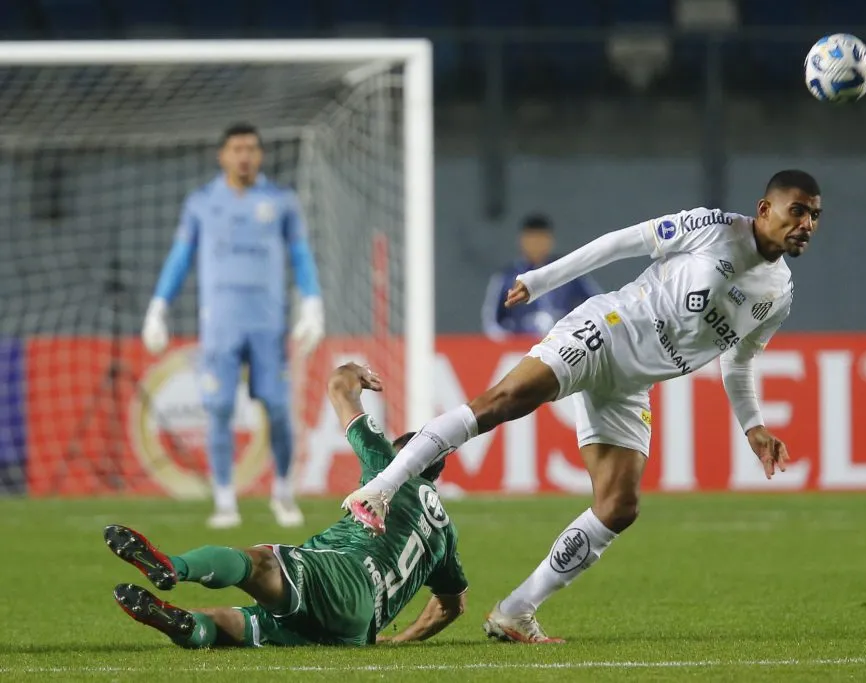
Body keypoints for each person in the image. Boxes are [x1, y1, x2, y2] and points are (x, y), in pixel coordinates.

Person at [343, 170, 822, 643]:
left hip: (631, 385)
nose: (806, 224)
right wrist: (542, 280)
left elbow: (738, 361)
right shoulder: (714, 227)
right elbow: (620, 242)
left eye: (814, 216)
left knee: (619, 506)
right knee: (500, 403)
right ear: (765, 208)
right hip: (605, 332)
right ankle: (379, 490)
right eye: (797, 211)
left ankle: (515, 612)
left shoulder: (779, 294)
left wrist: (754, 426)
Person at [104, 363, 468, 648]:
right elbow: (451, 606)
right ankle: (186, 625)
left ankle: (173, 566)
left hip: (343, 578)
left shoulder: (388, 467)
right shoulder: (445, 534)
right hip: (356, 627)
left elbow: (339, 387)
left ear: (405, 457)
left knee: (259, 563)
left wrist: (353, 370)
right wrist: (402, 639)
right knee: (235, 624)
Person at [141, 122, 325, 529]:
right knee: (219, 408)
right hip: (220, 326)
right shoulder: (202, 203)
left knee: (278, 408)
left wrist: (313, 304)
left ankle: (283, 492)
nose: (244, 156)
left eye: (251, 148)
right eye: (237, 149)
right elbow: (180, 256)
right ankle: (225, 501)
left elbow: (300, 255)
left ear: (260, 155)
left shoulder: (281, 201)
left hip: (268, 325)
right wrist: (158, 306)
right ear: (222, 155)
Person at [481, 213, 601, 340]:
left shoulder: (567, 270)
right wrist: (509, 342)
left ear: (551, 240)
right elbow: (492, 322)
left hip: (563, 342)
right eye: (532, 239)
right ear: (522, 241)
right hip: (521, 344)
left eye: (541, 238)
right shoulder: (507, 277)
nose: (536, 245)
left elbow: (597, 303)